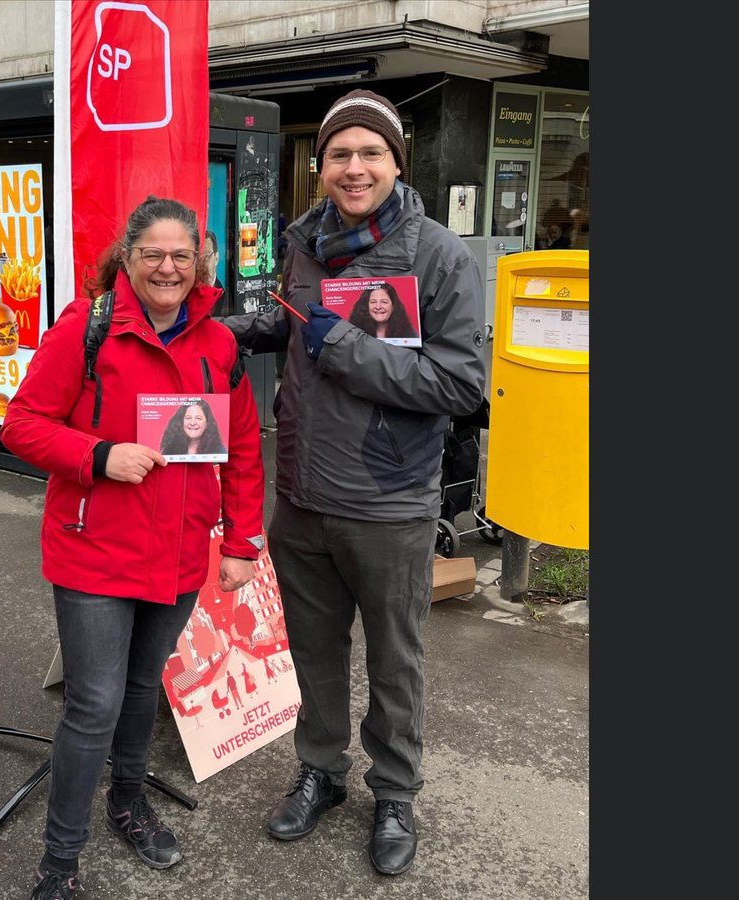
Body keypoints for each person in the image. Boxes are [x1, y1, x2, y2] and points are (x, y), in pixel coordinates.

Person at [221, 88, 486, 876]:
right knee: (314, 651)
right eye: (340, 153)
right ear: (321, 164)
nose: (354, 166)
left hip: (389, 501)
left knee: (395, 661)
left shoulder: (437, 254)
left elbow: (460, 384)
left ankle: (396, 793)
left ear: (396, 162)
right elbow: (295, 324)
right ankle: (322, 772)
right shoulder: (304, 243)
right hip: (301, 495)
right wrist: (224, 330)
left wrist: (345, 351)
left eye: (371, 152)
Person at [0, 195, 265, 900]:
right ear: (128, 258)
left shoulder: (220, 344)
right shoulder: (85, 331)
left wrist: (241, 541)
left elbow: (242, 450)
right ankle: (60, 861)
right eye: (153, 254)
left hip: (179, 553)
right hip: (96, 552)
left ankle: (129, 801)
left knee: (144, 688)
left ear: (200, 263)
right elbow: (22, 424)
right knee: (93, 702)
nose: (168, 267)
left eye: (182, 256)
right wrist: (99, 455)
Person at [347, 282, 418, 341]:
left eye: (384, 302)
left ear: (393, 306)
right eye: (373, 302)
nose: (378, 307)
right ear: (366, 305)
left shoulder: (409, 334)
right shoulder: (353, 332)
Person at [158, 399, 226, 457]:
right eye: (188, 418)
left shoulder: (219, 451)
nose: (192, 423)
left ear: (207, 423)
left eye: (199, 418)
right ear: (181, 422)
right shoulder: (170, 450)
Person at [202, 230, 227, 316]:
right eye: (197, 257)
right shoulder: (187, 296)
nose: (202, 264)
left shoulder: (226, 296)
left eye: (206, 256)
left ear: (216, 258)